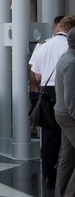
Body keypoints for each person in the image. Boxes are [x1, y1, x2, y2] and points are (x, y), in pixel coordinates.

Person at [30, 15, 74, 189]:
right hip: (67, 91)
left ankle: (49, 176)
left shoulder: (43, 44)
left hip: (47, 92)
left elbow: (37, 74)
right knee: (68, 138)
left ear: (57, 27)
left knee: (49, 138)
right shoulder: (70, 47)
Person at [54, 27, 75, 197]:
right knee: (67, 158)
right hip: (70, 115)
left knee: (67, 157)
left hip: (63, 113)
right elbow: (71, 98)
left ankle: (60, 193)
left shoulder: (66, 57)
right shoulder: (71, 62)